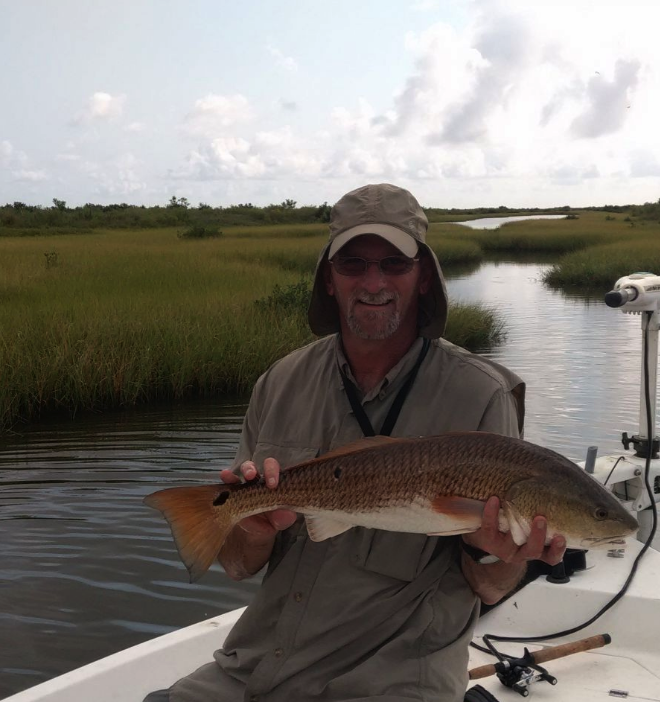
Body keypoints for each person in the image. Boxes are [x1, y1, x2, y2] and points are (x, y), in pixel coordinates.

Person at [148, 183, 566, 702]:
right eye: (353, 264)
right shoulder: (280, 382)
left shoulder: (481, 395)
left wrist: (495, 553)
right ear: (329, 278)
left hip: (392, 681)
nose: (373, 281)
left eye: (394, 263)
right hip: (254, 668)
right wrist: (252, 529)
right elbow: (239, 564)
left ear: (423, 279)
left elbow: (491, 588)